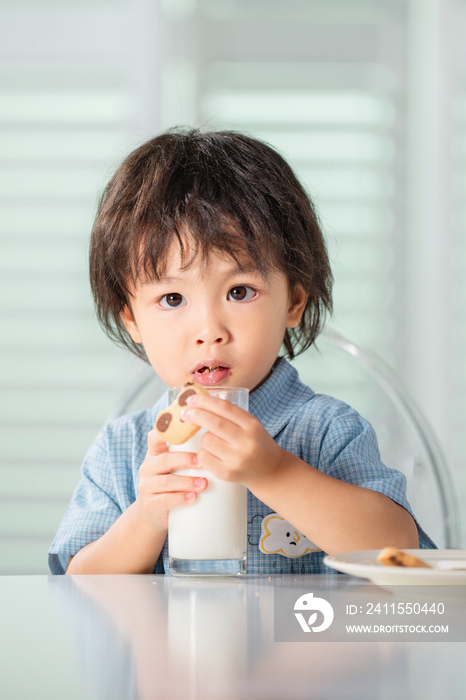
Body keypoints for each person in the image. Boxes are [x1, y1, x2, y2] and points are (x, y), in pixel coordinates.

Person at [48, 128, 434, 576]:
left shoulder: (327, 432)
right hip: (169, 648)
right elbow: (78, 586)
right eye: (172, 299)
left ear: (293, 302)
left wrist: (276, 472)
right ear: (130, 320)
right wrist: (147, 517)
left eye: (240, 291)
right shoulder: (123, 449)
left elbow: (401, 551)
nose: (209, 331)